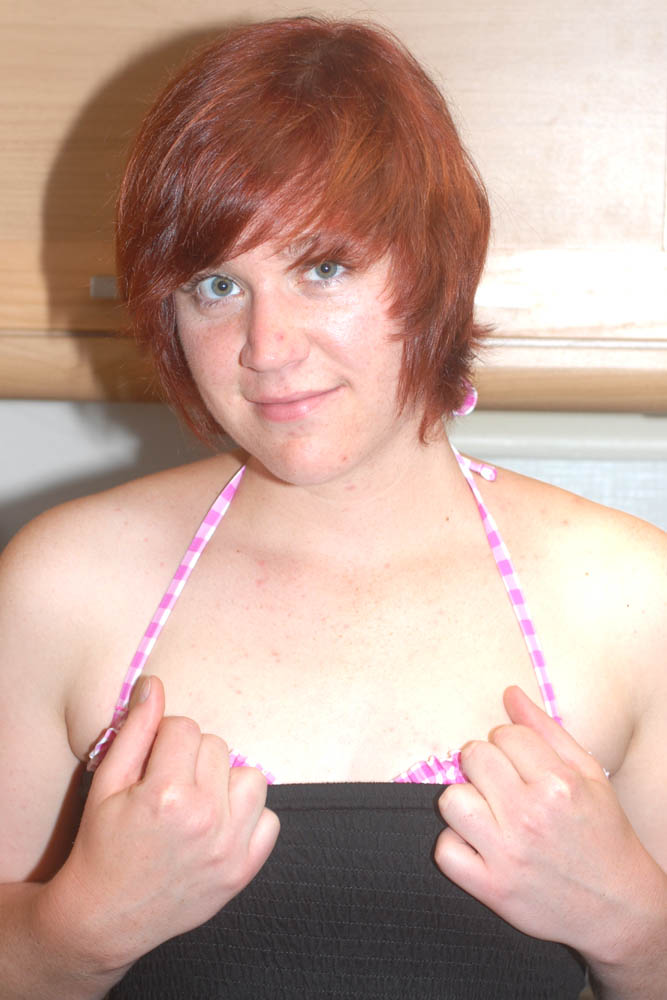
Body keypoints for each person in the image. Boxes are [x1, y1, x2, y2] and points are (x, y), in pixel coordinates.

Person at [0, 15, 665, 999]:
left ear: (436, 263)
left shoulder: (630, 597)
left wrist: (634, 926)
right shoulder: (62, 582)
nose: (267, 346)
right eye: (216, 285)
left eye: (324, 268)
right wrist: (74, 931)